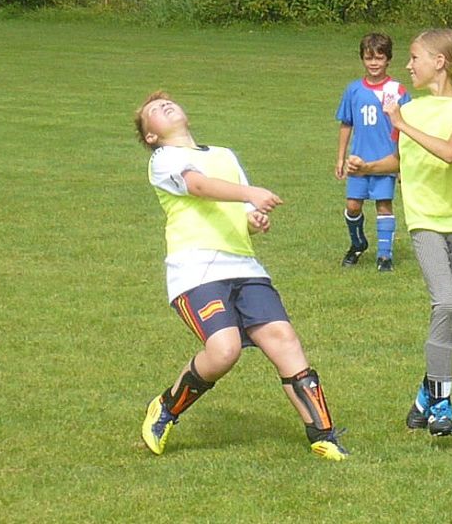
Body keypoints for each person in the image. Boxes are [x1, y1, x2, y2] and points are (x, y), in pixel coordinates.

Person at [135, 91, 349, 461]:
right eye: (154, 110)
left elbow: (241, 213)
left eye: (168, 102)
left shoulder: (224, 155)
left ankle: (323, 434)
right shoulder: (163, 159)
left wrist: (253, 220)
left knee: (284, 338)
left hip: (244, 267)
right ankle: (166, 408)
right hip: (196, 271)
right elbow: (198, 187)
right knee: (224, 350)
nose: (165, 105)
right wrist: (250, 192)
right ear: (151, 135)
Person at [346, 29, 452, 437]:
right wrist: (367, 168)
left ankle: (424, 395)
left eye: (414, 57)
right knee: (445, 304)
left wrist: (399, 122)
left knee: (447, 316)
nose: (408, 65)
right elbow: (397, 160)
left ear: (439, 62)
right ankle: (443, 402)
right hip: (425, 221)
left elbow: (450, 153)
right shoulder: (409, 112)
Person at [334, 33, 410, 272]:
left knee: (384, 205)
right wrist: (340, 158)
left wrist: (403, 164)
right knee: (353, 205)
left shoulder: (396, 90)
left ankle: (384, 255)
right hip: (358, 161)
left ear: (388, 59)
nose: (374, 63)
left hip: (386, 160)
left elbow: (406, 128)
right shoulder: (354, 90)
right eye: (369, 58)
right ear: (362, 59)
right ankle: (357, 244)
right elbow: (346, 124)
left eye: (379, 58)